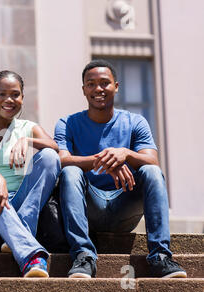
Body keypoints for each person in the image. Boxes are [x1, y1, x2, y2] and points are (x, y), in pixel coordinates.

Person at [54, 59, 187, 278]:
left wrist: (125, 154)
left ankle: (160, 257)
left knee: (152, 172)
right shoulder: (67, 123)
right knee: (70, 172)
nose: (98, 88)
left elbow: (152, 160)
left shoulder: (136, 122)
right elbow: (61, 160)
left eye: (105, 83)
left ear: (116, 86)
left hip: (125, 204)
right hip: (89, 207)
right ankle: (83, 255)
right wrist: (106, 160)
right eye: (91, 84)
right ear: (84, 90)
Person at [0, 70, 61, 277]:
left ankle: (19, 231)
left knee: (50, 157)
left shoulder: (27, 127)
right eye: (2, 94)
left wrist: (28, 141)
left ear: (22, 98)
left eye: (15, 94)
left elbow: (54, 146)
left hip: (21, 203)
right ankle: (31, 255)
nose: (9, 99)